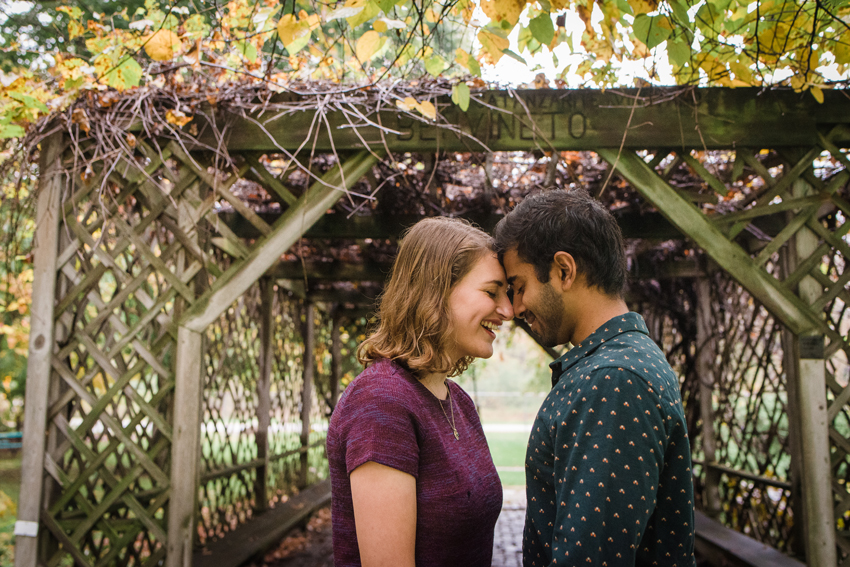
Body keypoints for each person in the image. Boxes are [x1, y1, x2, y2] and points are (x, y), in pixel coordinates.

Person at [493, 189, 696, 567]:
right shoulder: (621, 364)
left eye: (520, 287)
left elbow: (589, 557)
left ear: (564, 270)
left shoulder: (612, 381)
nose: (515, 308)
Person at [327, 217, 513, 567]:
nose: (508, 310)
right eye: (492, 292)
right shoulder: (381, 403)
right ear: (436, 293)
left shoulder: (457, 401)